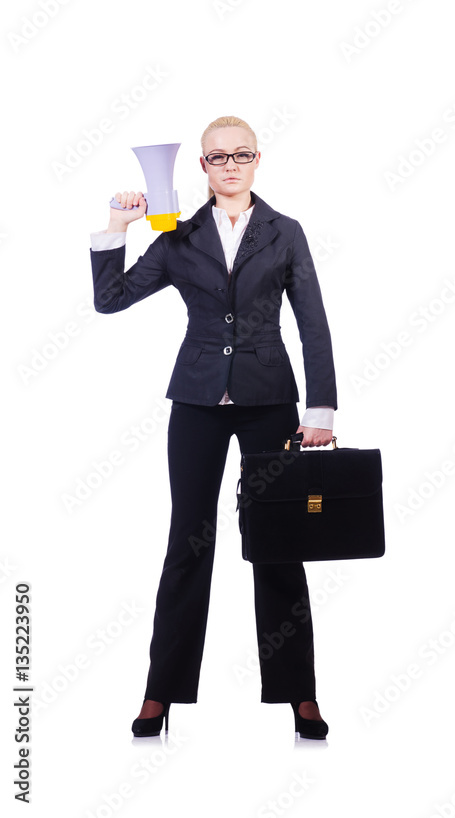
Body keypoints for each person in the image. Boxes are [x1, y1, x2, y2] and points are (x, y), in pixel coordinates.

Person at [90, 116, 337, 738]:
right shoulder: (179, 234)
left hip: (269, 401)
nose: (230, 165)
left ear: (257, 160)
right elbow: (111, 299)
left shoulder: (286, 231)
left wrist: (321, 409)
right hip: (197, 402)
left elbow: (312, 321)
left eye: (241, 154)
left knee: (278, 543)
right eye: (218, 157)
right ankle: (161, 691)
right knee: (188, 542)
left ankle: (299, 693)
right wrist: (117, 227)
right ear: (202, 165)